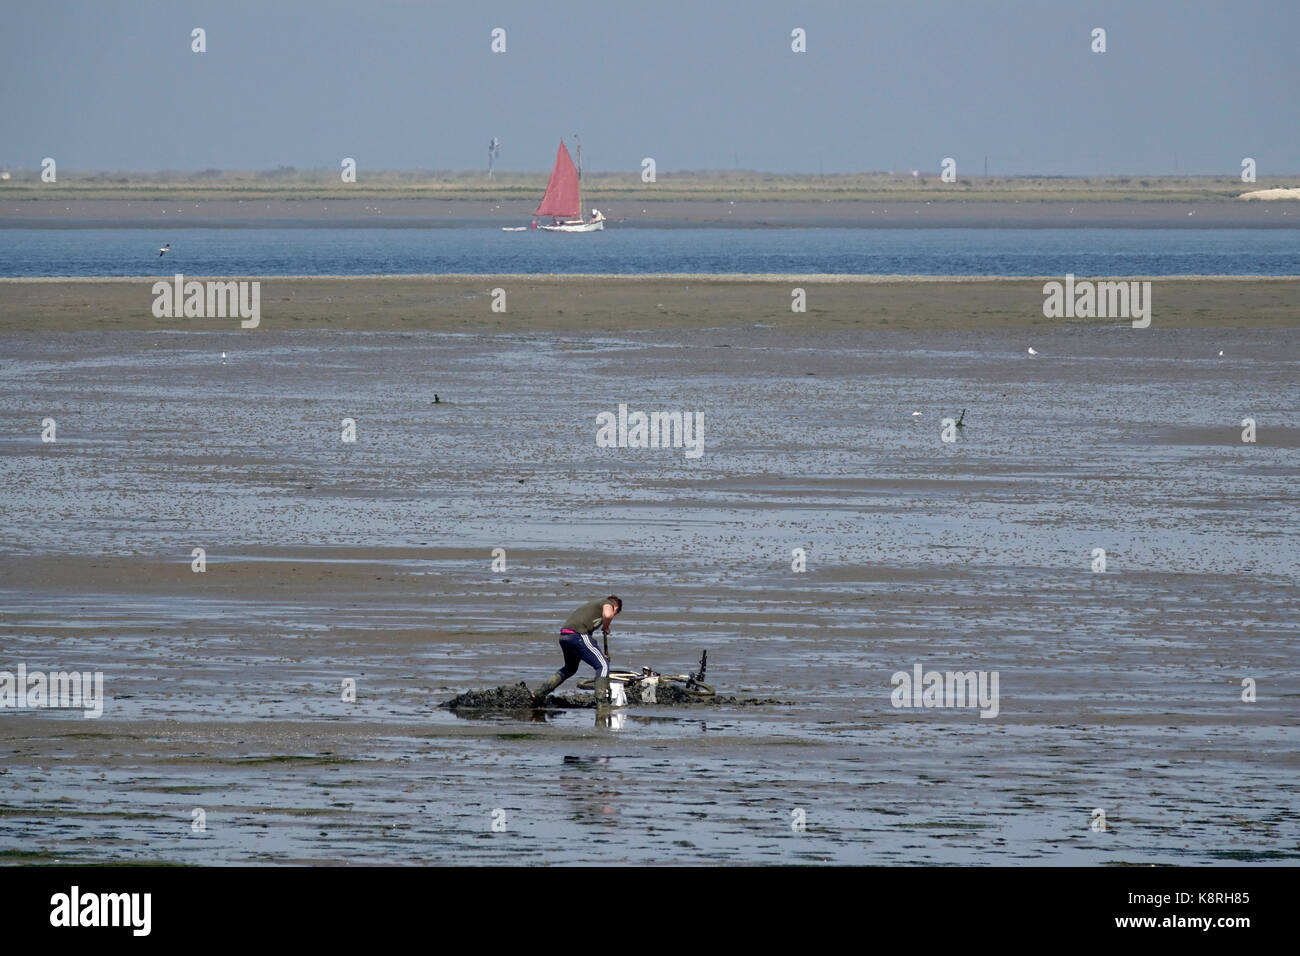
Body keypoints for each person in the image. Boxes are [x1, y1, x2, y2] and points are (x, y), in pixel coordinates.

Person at [532, 596, 622, 705]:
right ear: (615, 608)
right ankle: (602, 703)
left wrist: (600, 655)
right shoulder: (608, 603)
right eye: (615, 613)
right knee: (603, 665)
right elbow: (608, 615)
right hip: (577, 635)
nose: (613, 616)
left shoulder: (593, 608)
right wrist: (606, 627)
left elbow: (587, 646)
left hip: (565, 636)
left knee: (570, 668)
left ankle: (539, 693)